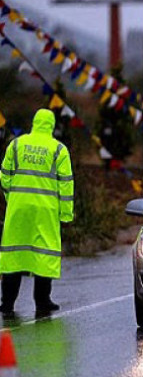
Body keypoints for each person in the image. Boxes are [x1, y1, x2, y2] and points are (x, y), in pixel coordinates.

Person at [0, 109, 74, 316]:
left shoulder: (16, 144)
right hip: (46, 210)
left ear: (34, 123)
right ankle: (42, 301)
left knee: (14, 254)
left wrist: (12, 196)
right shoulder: (59, 150)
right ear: (51, 125)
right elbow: (66, 186)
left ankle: (7, 303)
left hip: (18, 208)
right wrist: (66, 215)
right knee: (44, 254)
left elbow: (4, 175)